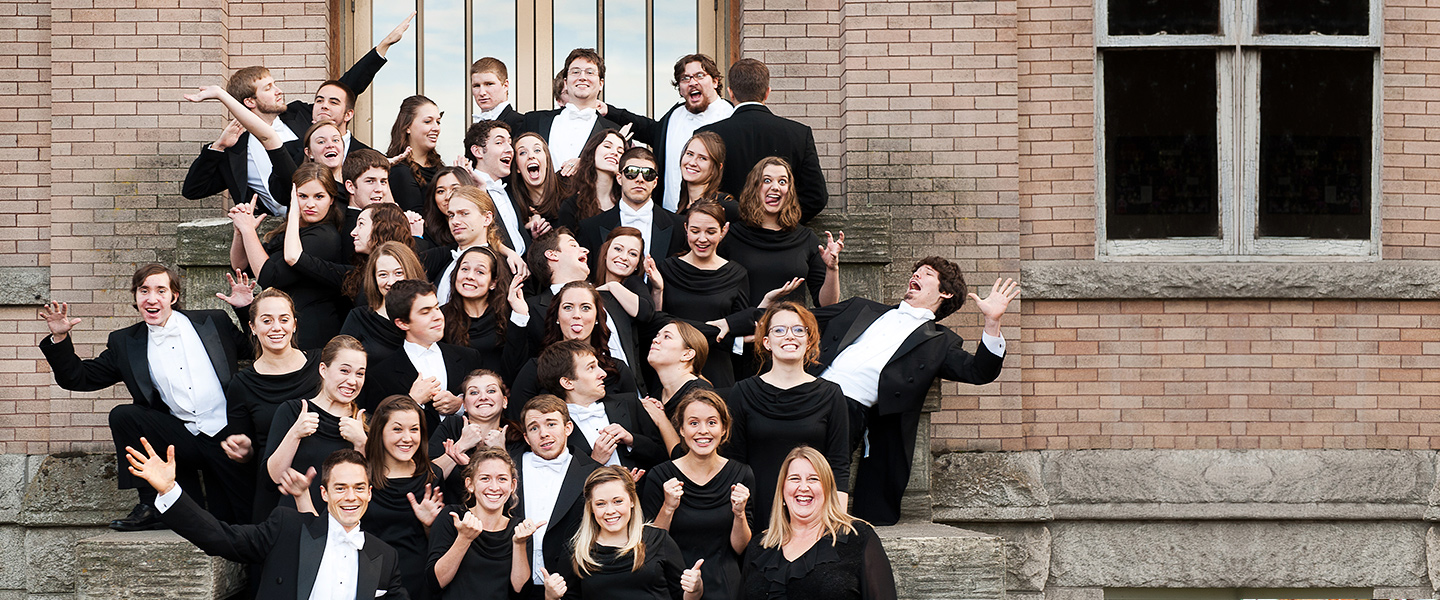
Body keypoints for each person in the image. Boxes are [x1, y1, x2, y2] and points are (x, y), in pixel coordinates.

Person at [37, 264, 254, 530]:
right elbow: (78, 378)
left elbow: (257, 349)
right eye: (144, 291)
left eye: (160, 290)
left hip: (229, 438)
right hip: (182, 439)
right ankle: (151, 503)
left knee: (237, 521)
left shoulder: (213, 321)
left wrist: (245, 310)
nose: (152, 298)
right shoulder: (126, 342)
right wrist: (59, 338)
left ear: (173, 296)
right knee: (125, 416)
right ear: (136, 297)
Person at [810, 259, 1018, 526]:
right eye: (916, 272)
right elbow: (799, 318)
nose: (917, 274)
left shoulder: (940, 342)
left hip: (849, 408)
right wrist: (741, 327)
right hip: (807, 390)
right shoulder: (863, 307)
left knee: (821, 469)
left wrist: (992, 322)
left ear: (946, 293)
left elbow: (979, 371)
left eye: (927, 273)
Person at [179, 13, 413, 215]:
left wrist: (383, 47)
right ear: (250, 101)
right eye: (269, 88)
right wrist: (219, 146)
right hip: (278, 233)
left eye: (275, 84)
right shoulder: (234, 149)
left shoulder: (301, 115)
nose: (279, 91)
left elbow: (344, 89)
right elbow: (193, 190)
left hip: (328, 219)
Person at [128, 444, 409, 599]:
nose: (351, 497)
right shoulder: (288, 528)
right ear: (323, 493)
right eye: (340, 487)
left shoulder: (384, 556)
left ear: (370, 493)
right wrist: (169, 491)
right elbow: (220, 538)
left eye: (359, 488)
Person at [725, 303, 849, 525]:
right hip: (758, 512)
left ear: (809, 340)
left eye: (799, 330)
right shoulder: (743, 393)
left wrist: (837, 524)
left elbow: (838, 465)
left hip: (811, 510)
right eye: (779, 330)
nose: (789, 336)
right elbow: (734, 463)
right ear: (767, 342)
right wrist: (739, 517)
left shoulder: (831, 394)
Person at [740, 446, 896, 600]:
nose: (803, 487)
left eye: (813, 479)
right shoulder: (760, 546)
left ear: (827, 489)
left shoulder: (858, 537)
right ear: (782, 490)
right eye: (794, 478)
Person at [220, 287, 323, 522]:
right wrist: (244, 450)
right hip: (276, 490)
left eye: (284, 319)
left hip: (323, 481)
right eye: (266, 320)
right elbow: (246, 454)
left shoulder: (321, 365)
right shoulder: (241, 384)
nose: (276, 327)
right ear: (253, 328)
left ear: (294, 324)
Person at [641, 390, 755, 600]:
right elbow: (651, 546)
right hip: (674, 583)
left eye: (712, 422)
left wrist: (739, 514)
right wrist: (668, 508)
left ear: (724, 429)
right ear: (682, 429)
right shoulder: (660, 476)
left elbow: (740, 548)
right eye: (694, 423)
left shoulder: (741, 474)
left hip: (725, 586)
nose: (703, 431)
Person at [230, 162, 351, 350]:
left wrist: (249, 232)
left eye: (319, 196)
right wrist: (240, 232)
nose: (310, 204)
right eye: (302, 196)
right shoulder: (289, 233)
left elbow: (270, 277)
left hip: (310, 334)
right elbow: (241, 267)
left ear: (331, 200)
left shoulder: (324, 237)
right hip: (284, 331)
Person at [697, 58, 827, 224]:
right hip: (780, 239)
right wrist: (780, 223)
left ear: (731, 93)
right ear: (767, 92)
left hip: (725, 237)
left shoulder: (707, 134)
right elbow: (816, 197)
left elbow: (698, 191)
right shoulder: (799, 134)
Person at [601, 54, 735, 213]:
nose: (692, 82)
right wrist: (608, 111)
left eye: (700, 75)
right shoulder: (674, 116)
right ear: (680, 89)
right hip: (671, 216)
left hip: (717, 219)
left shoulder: (731, 116)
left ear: (715, 81)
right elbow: (647, 128)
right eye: (685, 78)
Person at [546, 466, 704, 600]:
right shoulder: (576, 551)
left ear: (632, 500)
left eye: (618, 501)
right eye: (601, 504)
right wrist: (551, 597)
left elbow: (683, 596)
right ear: (591, 508)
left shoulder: (658, 539)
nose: (610, 511)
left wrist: (695, 589)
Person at [264, 335, 370, 512]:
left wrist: (361, 443)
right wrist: (295, 434)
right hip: (295, 520)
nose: (353, 381)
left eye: (360, 373)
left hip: (342, 523)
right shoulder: (293, 411)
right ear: (323, 369)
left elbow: (370, 486)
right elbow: (274, 477)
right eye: (344, 371)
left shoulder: (364, 422)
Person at [513, 395, 603, 600]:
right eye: (534, 428)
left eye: (551, 424)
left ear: (568, 428)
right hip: (511, 584)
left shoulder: (593, 474)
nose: (543, 434)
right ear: (526, 437)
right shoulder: (507, 470)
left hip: (572, 585)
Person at [363, 280, 484, 430]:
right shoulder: (381, 375)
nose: (438, 316)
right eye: (425, 312)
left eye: (436, 308)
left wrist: (461, 406)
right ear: (402, 323)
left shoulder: (469, 357)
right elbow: (379, 429)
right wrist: (413, 401)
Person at [654, 201, 750, 388]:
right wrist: (716, 333)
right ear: (685, 228)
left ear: (724, 230)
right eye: (695, 231)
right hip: (671, 369)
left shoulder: (737, 274)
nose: (702, 239)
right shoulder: (667, 269)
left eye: (711, 232)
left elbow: (740, 325)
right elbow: (658, 321)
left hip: (717, 369)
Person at [428, 447, 541, 599]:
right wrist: (464, 538)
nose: (494, 487)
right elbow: (435, 583)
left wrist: (519, 543)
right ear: (470, 484)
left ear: (512, 486)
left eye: (502, 479)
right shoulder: (453, 517)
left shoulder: (519, 529)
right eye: (485, 478)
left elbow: (521, 593)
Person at [509, 281, 642, 411]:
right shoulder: (535, 369)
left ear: (596, 317)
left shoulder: (617, 371)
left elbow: (632, 420)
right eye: (568, 307)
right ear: (557, 316)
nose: (577, 315)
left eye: (586, 308)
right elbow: (517, 423)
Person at [362, 395, 446, 600]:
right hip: (370, 580)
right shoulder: (361, 476)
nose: (407, 438)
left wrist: (429, 525)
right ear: (380, 431)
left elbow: (441, 546)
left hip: (419, 583)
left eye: (414, 429)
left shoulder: (432, 476)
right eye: (397, 429)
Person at [536, 340, 666, 470]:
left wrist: (632, 440)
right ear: (568, 382)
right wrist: (595, 461)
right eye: (591, 368)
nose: (603, 374)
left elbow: (664, 456)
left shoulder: (629, 403)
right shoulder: (554, 428)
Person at [576, 147, 688, 267]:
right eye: (632, 172)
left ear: (655, 182)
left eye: (648, 174)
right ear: (619, 178)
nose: (640, 179)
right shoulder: (590, 228)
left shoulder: (678, 227)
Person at [429, 369, 526, 501]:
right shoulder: (452, 426)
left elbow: (521, 491)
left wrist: (501, 452)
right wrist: (461, 445)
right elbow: (426, 481)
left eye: (491, 391)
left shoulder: (516, 435)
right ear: (464, 405)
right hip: (453, 514)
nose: (483, 397)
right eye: (474, 392)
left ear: (504, 401)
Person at [438, 245, 531, 379]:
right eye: (464, 269)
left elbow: (516, 367)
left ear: (493, 282)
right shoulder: (441, 316)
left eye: (480, 272)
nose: (469, 276)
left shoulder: (508, 314)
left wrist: (519, 316)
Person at [520, 48, 620, 165]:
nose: (582, 77)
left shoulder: (614, 132)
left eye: (589, 72)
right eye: (575, 72)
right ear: (566, 82)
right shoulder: (533, 121)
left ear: (601, 84)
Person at [340, 240, 426, 365]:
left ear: (411, 273)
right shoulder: (359, 318)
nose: (391, 281)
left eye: (398, 273)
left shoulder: (427, 317)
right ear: (374, 279)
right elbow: (339, 364)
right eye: (383, 274)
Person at [465, 119, 544, 254]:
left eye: (509, 143)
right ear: (477, 151)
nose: (509, 149)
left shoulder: (512, 190)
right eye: (499, 143)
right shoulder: (467, 190)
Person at [557, 129, 627, 231]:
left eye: (620, 151)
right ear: (592, 151)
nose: (614, 153)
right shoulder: (572, 206)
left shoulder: (626, 204)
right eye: (607, 146)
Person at [645, 321, 714, 420]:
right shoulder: (656, 396)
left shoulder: (699, 392)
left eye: (667, 336)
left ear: (687, 354)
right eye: (657, 335)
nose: (655, 340)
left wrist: (660, 418)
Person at [389, 95, 446, 214]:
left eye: (438, 122)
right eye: (427, 121)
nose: (436, 128)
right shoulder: (400, 172)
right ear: (408, 126)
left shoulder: (440, 168)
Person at [510, 132, 563, 230]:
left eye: (537, 150)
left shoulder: (569, 185)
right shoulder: (514, 208)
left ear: (547, 159)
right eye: (523, 152)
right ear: (517, 167)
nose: (531, 156)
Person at [421, 166, 478, 248]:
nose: (448, 197)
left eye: (455, 189)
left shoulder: (481, 223)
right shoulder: (425, 231)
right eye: (440, 191)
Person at [675, 132, 732, 213]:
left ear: (717, 167)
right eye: (690, 154)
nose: (692, 163)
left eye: (702, 158)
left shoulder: (725, 206)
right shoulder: (684, 206)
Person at [470, 57, 526, 131]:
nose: (482, 93)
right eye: (476, 86)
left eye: (489, 84)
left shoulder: (521, 124)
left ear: (505, 86)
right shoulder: (476, 127)